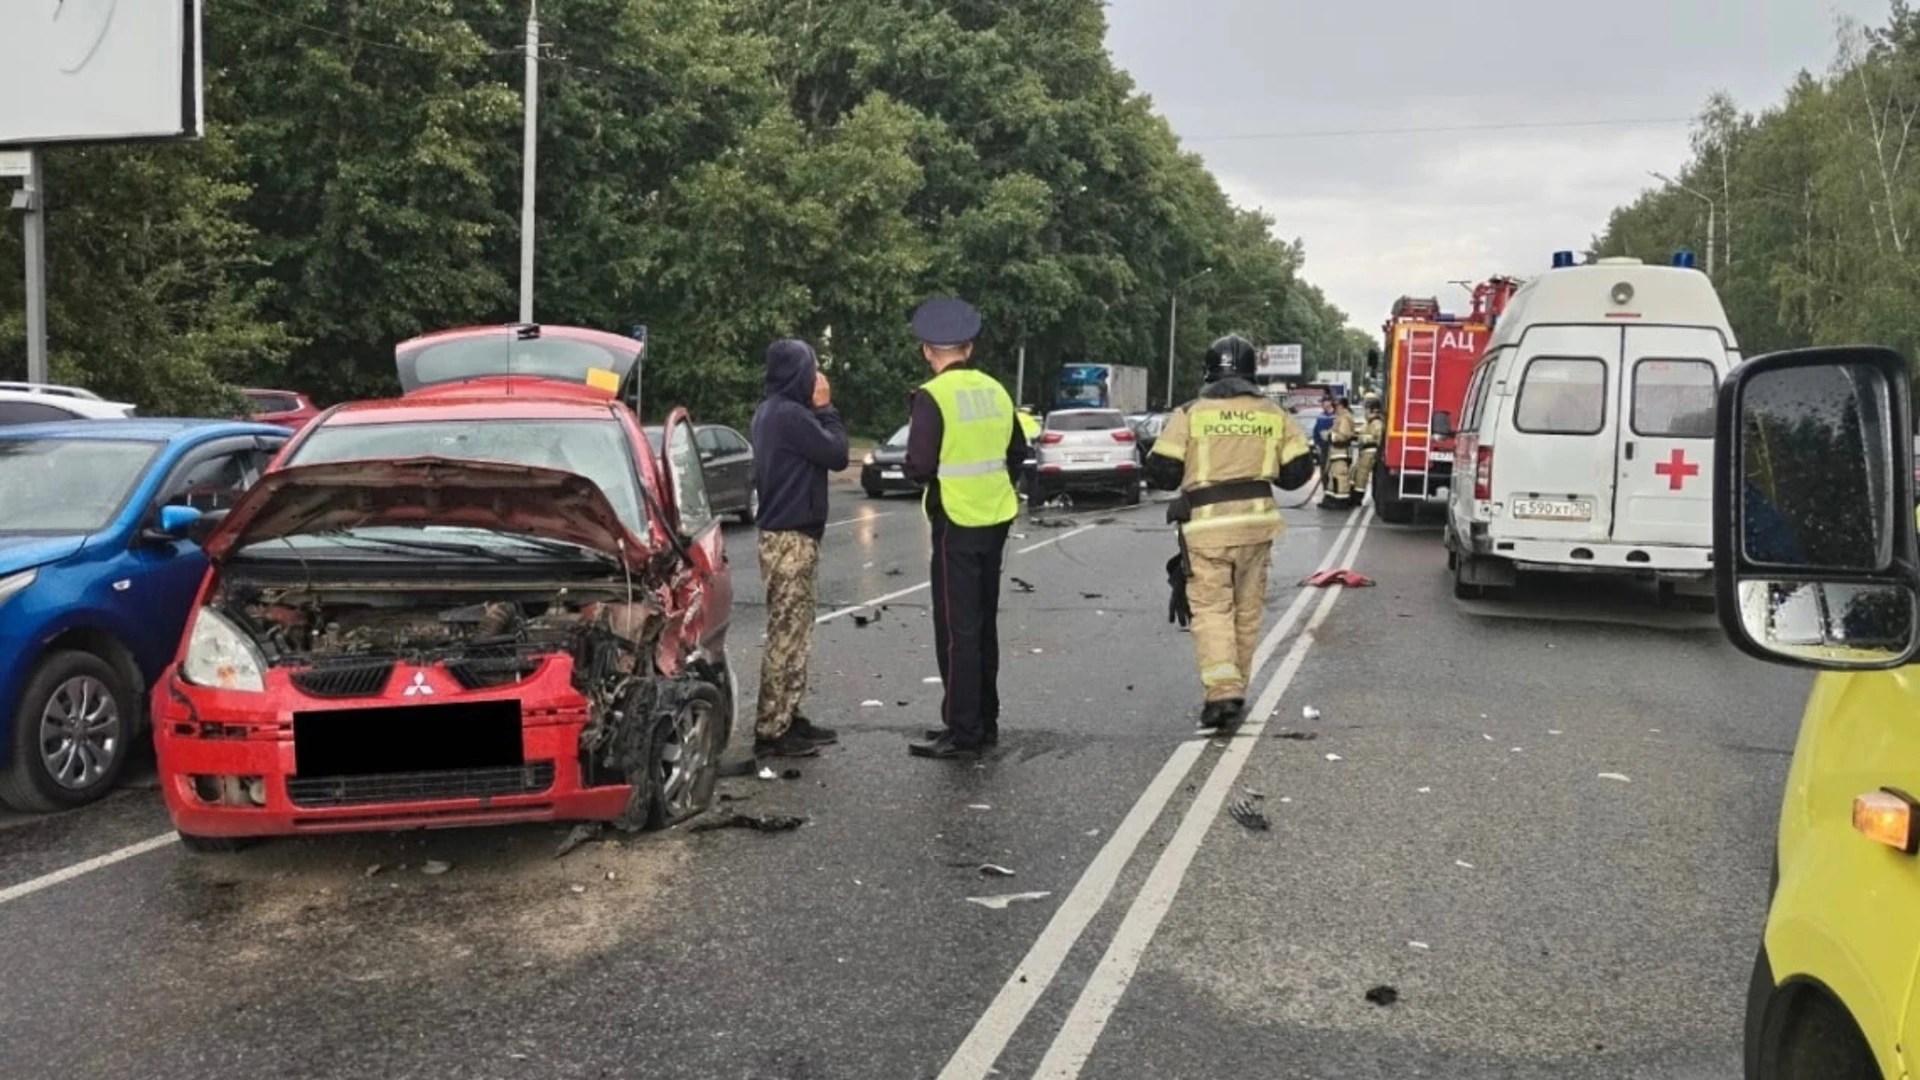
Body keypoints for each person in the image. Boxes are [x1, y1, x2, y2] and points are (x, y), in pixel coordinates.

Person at [1147, 335, 1315, 728]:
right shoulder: (1274, 414)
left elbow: (1163, 472)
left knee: (1212, 610)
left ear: (1208, 371)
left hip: (1207, 530)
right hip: (1256, 528)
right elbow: (1297, 474)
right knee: (1246, 611)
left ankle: (1222, 693)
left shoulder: (1190, 413)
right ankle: (1235, 688)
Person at [903, 298, 1028, 760]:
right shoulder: (996, 391)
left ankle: (963, 730)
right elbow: (1018, 451)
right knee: (983, 625)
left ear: (927, 351)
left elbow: (918, 464)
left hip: (955, 520)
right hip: (995, 518)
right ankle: (986, 719)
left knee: (957, 629)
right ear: (969, 348)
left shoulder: (931, 397)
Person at [748, 338, 849, 759]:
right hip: (790, 536)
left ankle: (789, 714)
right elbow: (838, 454)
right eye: (811, 370)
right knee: (787, 635)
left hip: (789, 533)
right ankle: (772, 729)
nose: (816, 378)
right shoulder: (791, 416)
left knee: (798, 631)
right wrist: (826, 408)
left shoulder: (773, 411)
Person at [1319, 397, 1356, 509]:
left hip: (1341, 452)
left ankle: (1342, 502)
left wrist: (1330, 436)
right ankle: (1330, 499)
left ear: (1341, 406)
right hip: (1336, 453)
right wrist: (1327, 433)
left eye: (1336, 406)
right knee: (1332, 477)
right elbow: (1335, 431)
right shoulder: (1340, 418)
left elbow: (1344, 436)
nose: (1334, 408)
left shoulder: (1345, 418)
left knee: (1340, 477)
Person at [1350, 391, 1384, 507]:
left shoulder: (1376, 423)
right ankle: (1354, 494)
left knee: (1362, 476)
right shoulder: (1369, 423)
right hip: (1364, 452)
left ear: (1372, 410)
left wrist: (1365, 438)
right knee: (1355, 472)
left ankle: (1357, 497)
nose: (1364, 412)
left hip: (1370, 452)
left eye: (1366, 409)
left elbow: (1378, 438)